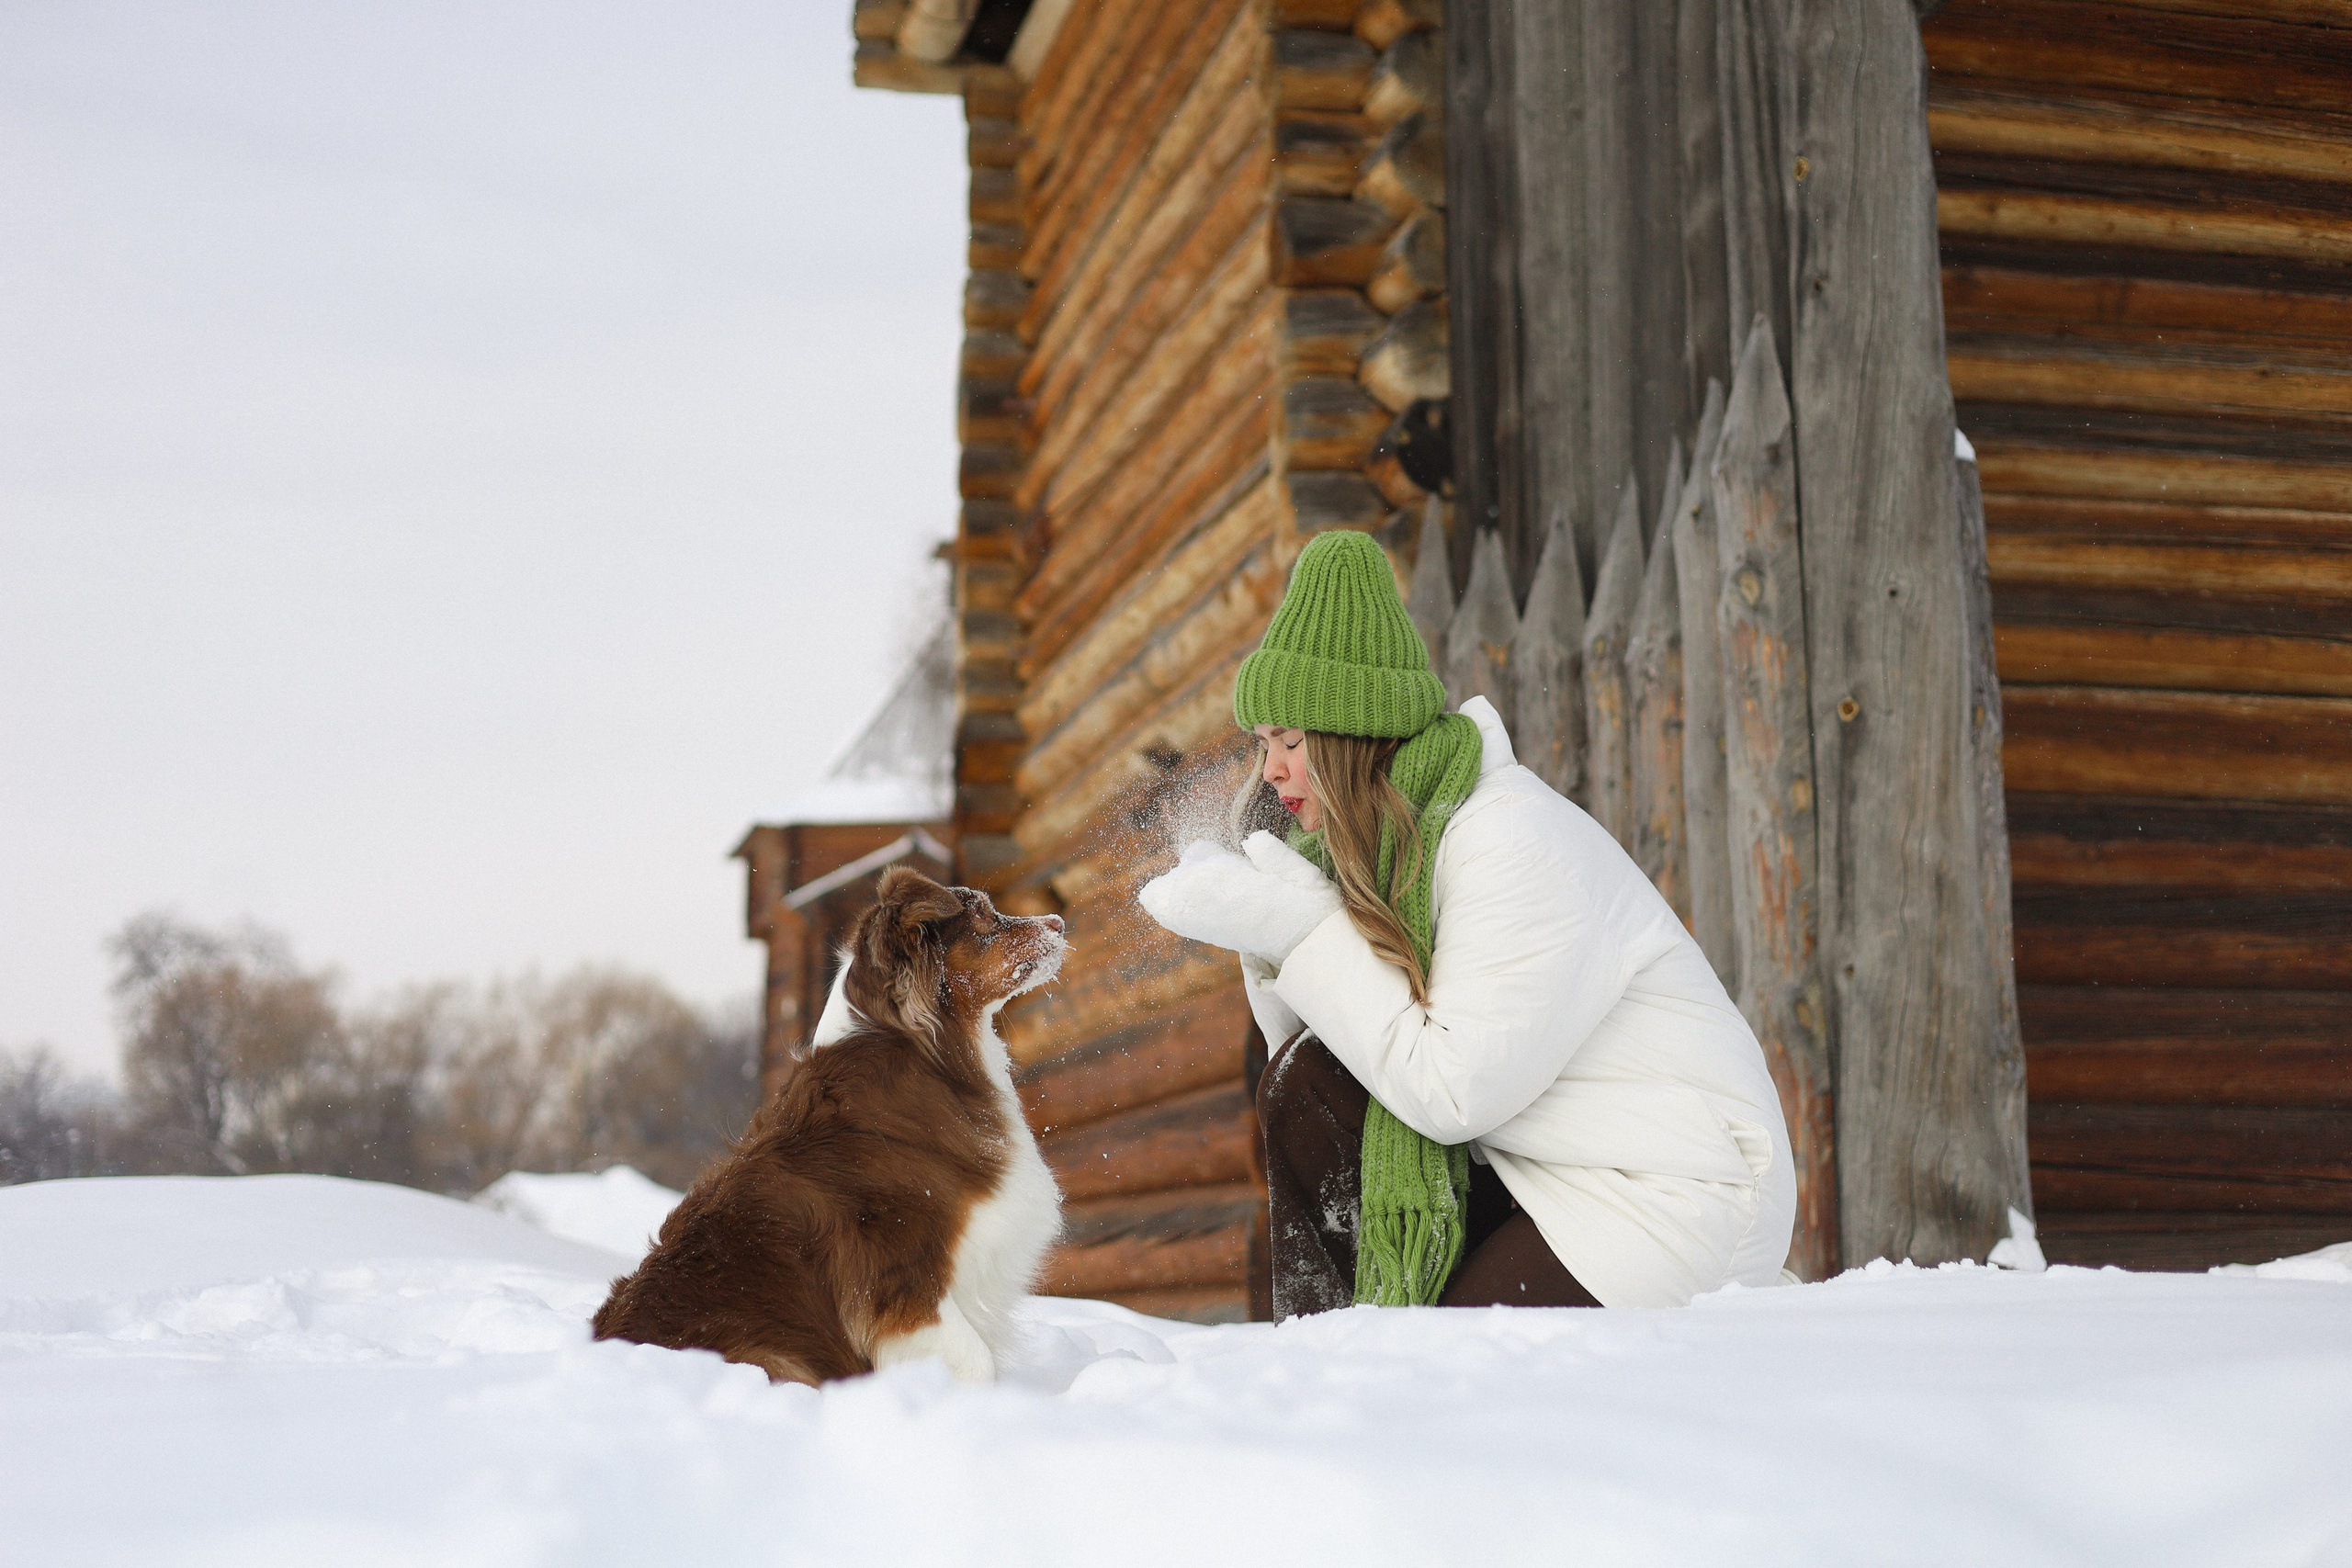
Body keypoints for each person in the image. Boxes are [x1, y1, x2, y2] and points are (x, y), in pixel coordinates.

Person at [1139, 529, 1795, 1315]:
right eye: (1262, 745)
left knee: (1449, 1375)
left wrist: (1305, 930)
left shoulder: (1506, 837)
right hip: (1542, 1167)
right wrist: (1273, 935)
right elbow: (1322, 1061)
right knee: (1305, 1089)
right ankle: (1324, 1369)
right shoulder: (1382, 850)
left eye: (1289, 741)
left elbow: (1453, 1091)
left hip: (1675, 1191)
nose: (1271, 768)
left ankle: (1362, 1384)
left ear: (1351, 736)